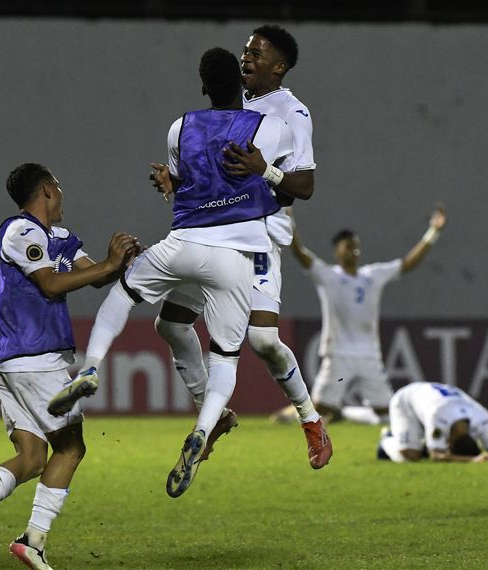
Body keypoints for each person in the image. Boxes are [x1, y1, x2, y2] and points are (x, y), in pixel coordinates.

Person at [49, 47, 305, 498]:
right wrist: (264, 172)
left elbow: (193, 179)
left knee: (123, 295)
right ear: (243, 87)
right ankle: (204, 429)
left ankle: (90, 368)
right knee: (224, 356)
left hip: (183, 245)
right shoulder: (274, 127)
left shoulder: (179, 127)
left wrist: (174, 183)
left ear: (203, 86)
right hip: (234, 258)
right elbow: (291, 184)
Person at [149, 24, 332, 470]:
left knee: (264, 340)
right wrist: (177, 180)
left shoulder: (293, 113)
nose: (246, 57)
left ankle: (310, 421)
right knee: (170, 325)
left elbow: (303, 186)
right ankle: (213, 415)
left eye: (257, 52)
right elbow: (211, 172)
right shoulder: (233, 104)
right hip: (214, 233)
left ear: (279, 66)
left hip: (258, 235)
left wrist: (264, 170)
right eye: (245, 50)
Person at [0, 163, 138, 569]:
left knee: (34, 456)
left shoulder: (60, 239)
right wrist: (108, 266)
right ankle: (32, 541)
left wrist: (120, 261)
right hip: (34, 355)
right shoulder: (19, 231)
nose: (63, 193)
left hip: (9, 361)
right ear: (47, 191)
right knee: (71, 447)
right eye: (59, 185)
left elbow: (91, 275)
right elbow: (51, 284)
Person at [283, 207, 447, 424]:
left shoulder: (373, 276)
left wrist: (433, 232)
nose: (354, 250)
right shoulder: (329, 275)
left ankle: (344, 414)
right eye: (349, 246)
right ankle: (290, 415)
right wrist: (289, 219)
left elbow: (408, 264)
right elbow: (300, 252)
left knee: (389, 415)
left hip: (370, 356)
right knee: (317, 410)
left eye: (357, 246)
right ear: (337, 251)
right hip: (339, 355)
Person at [377, 382, 488, 463]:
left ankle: (420, 444)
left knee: (427, 448)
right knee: (410, 456)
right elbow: (436, 455)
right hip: (406, 400)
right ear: (451, 445)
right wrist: (472, 460)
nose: (447, 446)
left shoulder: (484, 419)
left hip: (433, 400)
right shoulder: (438, 416)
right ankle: (387, 440)